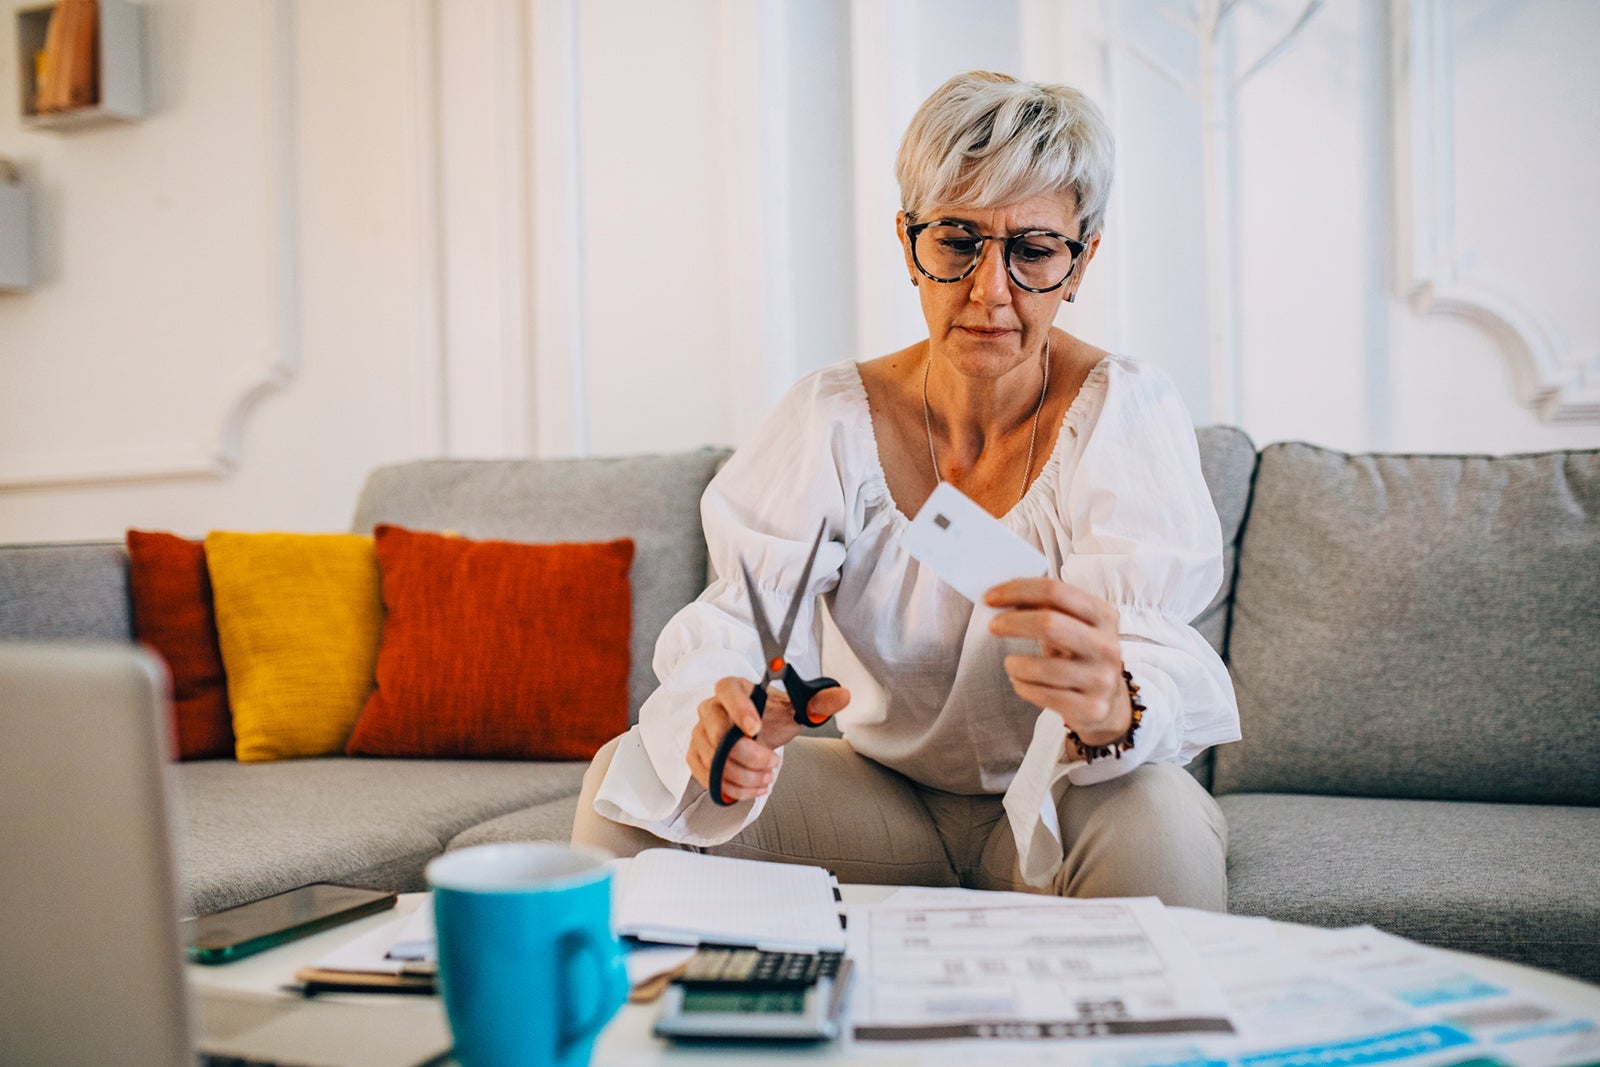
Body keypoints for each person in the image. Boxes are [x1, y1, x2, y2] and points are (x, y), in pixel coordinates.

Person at [572, 71, 1240, 908]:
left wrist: (1118, 703)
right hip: (879, 802)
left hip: (1069, 795)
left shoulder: (1122, 413)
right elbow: (742, 619)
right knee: (627, 782)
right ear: (908, 244)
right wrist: (726, 716)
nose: (990, 292)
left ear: (1081, 261)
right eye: (957, 242)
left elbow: (1146, 636)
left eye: (1032, 251)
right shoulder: (831, 418)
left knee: (1156, 814)